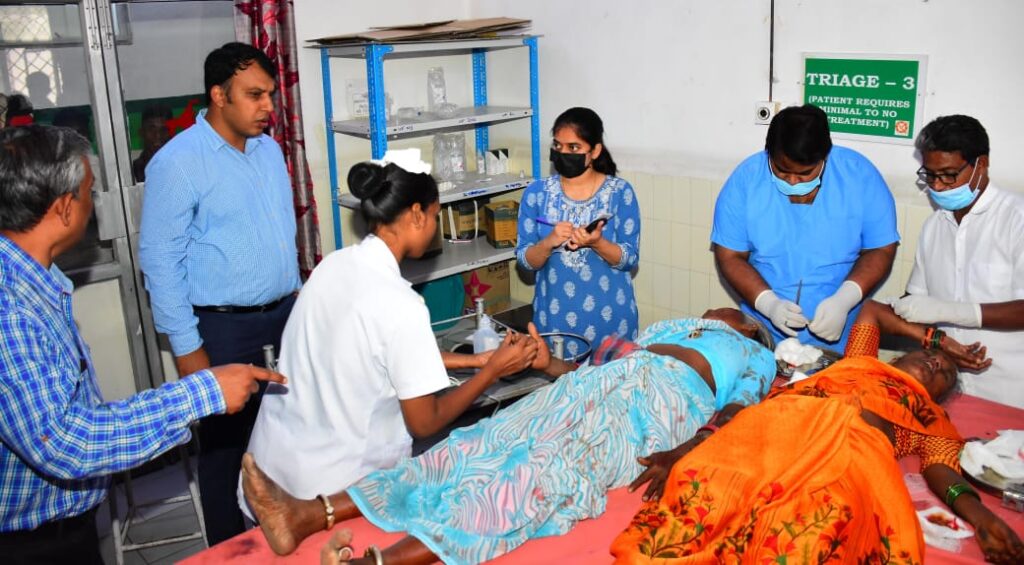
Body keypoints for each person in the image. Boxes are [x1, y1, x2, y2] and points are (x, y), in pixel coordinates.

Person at [240, 306, 777, 564]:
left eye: (730, 311)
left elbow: (735, 417)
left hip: (654, 408)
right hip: (591, 385)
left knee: (537, 472)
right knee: (476, 442)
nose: (715, 308)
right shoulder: (672, 326)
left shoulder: (754, 353)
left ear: (750, 326)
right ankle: (307, 514)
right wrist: (548, 366)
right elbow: (590, 369)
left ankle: (381, 564)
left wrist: (679, 453)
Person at [0, 125, 284, 564]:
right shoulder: (11, 310)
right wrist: (203, 393)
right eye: (89, 193)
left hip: (61, 528)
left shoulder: (33, 280)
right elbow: (65, 442)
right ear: (63, 208)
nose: (95, 205)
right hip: (30, 544)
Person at [610, 300, 1023, 563]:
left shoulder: (931, 418)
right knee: (710, 481)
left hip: (852, 448)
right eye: (930, 357)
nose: (937, 365)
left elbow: (941, 469)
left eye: (944, 374)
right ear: (898, 358)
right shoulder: (859, 360)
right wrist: (938, 340)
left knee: (819, 524)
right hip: (782, 421)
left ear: (938, 398)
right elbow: (872, 311)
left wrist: (982, 519)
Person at [240, 159, 540, 516]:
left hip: (272, 468)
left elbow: (375, 351)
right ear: (416, 214)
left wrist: (474, 361)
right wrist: (492, 372)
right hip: (324, 493)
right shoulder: (401, 304)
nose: (435, 226)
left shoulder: (334, 266)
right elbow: (425, 422)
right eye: (435, 215)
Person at [138, 42, 301, 544]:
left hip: (285, 315)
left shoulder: (268, 150)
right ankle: (231, 550)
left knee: (289, 433)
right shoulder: (178, 162)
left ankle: (289, 532)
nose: (268, 107)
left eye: (271, 95)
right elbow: (159, 260)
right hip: (224, 327)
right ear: (218, 94)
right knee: (226, 450)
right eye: (254, 95)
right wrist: (188, 350)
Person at [712, 104, 899, 352]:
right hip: (763, 330)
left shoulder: (858, 176)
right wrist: (769, 304)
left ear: (824, 157)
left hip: (841, 330)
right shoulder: (746, 180)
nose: (792, 181)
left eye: (805, 174)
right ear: (769, 153)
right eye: (781, 171)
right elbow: (730, 256)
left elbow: (881, 249)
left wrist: (844, 300)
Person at [892, 115, 1024, 409]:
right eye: (930, 175)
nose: (938, 186)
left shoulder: (1017, 220)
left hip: (1011, 390)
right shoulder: (935, 226)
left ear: (981, 165)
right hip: (947, 386)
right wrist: (893, 311)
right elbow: (916, 301)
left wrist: (956, 311)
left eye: (949, 175)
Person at [516, 107, 640, 358]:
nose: (563, 153)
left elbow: (630, 259)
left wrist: (597, 243)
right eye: (558, 145)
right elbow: (525, 262)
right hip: (554, 320)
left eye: (574, 147)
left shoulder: (620, 192)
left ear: (595, 151)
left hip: (611, 322)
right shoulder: (536, 194)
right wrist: (549, 242)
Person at [132, 105, 172, 182]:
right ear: (141, 132)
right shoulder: (132, 172)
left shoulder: (180, 167)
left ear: (172, 133)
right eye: (151, 129)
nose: (158, 135)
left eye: (164, 129)